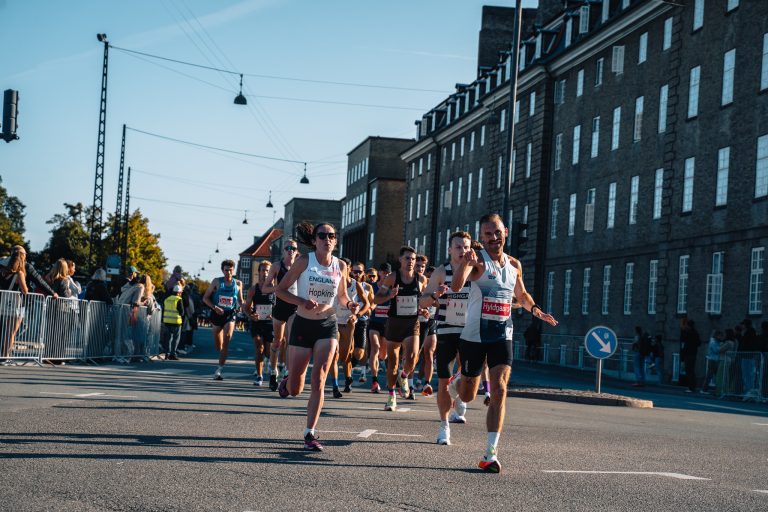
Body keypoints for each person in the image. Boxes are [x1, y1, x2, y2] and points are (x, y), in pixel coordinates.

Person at [448, 213, 558, 473]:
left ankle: (490, 453)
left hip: (502, 335)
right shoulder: (477, 262)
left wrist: (535, 310)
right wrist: (465, 263)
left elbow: (521, 293)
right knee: (468, 394)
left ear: (505, 232)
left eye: (497, 232)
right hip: (474, 337)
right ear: (481, 237)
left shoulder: (514, 264)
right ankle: (458, 382)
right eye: (487, 234)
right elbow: (455, 286)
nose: (493, 238)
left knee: (499, 388)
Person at [275, 222, 358, 451]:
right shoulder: (304, 262)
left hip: (327, 324)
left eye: (331, 235)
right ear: (314, 240)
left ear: (335, 240)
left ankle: (309, 432)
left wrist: (350, 303)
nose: (327, 239)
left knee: (320, 378)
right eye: (322, 235)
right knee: (295, 388)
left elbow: (341, 296)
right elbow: (280, 290)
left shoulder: (340, 265)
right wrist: (301, 301)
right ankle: (288, 380)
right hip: (302, 324)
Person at [419, 231, 472, 445]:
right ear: (450, 250)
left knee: (469, 376)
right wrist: (435, 295)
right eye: (458, 247)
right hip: (446, 330)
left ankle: (458, 387)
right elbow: (421, 302)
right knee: (442, 381)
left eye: (466, 247)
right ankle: (444, 426)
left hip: (470, 331)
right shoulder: (441, 272)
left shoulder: (475, 271)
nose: (463, 251)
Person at [373, 246, 428, 412]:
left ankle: (404, 377)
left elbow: (422, 300)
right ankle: (391, 396)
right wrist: (390, 295)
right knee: (393, 363)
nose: (411, 261)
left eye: (413, 258)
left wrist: (423, 309)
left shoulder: (421, 279)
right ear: (400, 260)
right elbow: (376, 299)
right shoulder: (392, 278)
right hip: (395, 323)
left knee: (412, 357)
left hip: (412, 323)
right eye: (407, 258)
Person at [262, 239, 299, 390]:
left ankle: (287, 373)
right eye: (287, 248)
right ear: (283, 251)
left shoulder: (300, 266)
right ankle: (273, 371)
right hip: (279, 306)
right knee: (277, 341)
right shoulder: (277, 266)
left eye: (293, 248)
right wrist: (277, 288)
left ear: (296, 251)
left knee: (290, 341)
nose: (290, 250)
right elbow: (265, 288)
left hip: (294, 307)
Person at [202, 259, 246, 380]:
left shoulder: (238, 284)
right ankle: (221, 355)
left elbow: (241, 301)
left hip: (230, 314)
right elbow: (205, 298)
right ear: (223, 270)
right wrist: (215, 307)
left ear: (233, 270)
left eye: (231, 270)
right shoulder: (217, 282)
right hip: (217, 314)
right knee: (218, 345)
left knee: (227, 340)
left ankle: (219, 370)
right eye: (226, 270)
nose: (228, 273)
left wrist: (245, 308)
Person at [244, 260, 275, 386]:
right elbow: (246, 307)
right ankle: (259, 376)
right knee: (259, 348)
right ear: (259, 272)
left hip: (270, 323)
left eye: (268, 271)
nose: (265, 273)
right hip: (257, 322)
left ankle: (267, 361)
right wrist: (251, 315)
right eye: (263, 270)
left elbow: (280, 307)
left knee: (268, 351)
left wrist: (275, 315)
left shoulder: (275, 289)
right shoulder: (253, 289)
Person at [413, 254, 437, 398]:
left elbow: (436, 301)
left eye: (423, 266)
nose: (420, 268)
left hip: (430, 320)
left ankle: (427, 383)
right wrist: (420, 309)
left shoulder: (430, 283)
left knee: (429, 353)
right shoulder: (410, 282)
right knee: (414, 355)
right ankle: (407, 378)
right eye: (418, 266)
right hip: (415, 322)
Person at [0, 245, 29, 361]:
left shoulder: (3, 270)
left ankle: (2, 354)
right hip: (15, 303)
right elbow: (25, 290)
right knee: (11, 332)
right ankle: (6, 355)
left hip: (3, 301)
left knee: (4, 330)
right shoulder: (19, 273)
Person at [366, 267, 389, 393]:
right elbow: (370, 301)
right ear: (379, 273)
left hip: (387, 324)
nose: (385, 275)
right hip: (374, 322)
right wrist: (370, 307)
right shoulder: (372, 287)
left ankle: (383, 365)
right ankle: (374, 381)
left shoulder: (392, 288)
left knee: (383, 354)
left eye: (388, 273)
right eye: (383, 272)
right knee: (375, 347)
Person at [738, 318, 761, 397]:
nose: (742, 326)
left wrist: (741, 336)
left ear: (746, 324)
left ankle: (749, 390)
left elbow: (744, 342)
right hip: (748, 355)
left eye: (743, 324)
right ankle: (749, 390)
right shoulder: (750, 331)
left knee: (747, 373)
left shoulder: (748, 332)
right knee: (748, 373)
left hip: (747, 355)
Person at [161, 284, 185, 360]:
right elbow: (182, 312)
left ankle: (166, 354)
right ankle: (173, 354)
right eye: (181, 292)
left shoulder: (167, 299)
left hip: (167, 321)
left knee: (168, 338)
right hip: (176, 322)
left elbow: (164, 309)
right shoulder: (179, 299)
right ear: (178, 292)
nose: (181, 294)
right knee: (175, 339)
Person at [680, 318, 701, 393]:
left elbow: (682, 339)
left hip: (688, 354)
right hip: (693, 353)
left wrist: (682, 331)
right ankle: (692, 386)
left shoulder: (688, 333)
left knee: (689, 371)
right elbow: (699, 343)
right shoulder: (696, 333)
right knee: (691, 370)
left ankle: (691, 387)